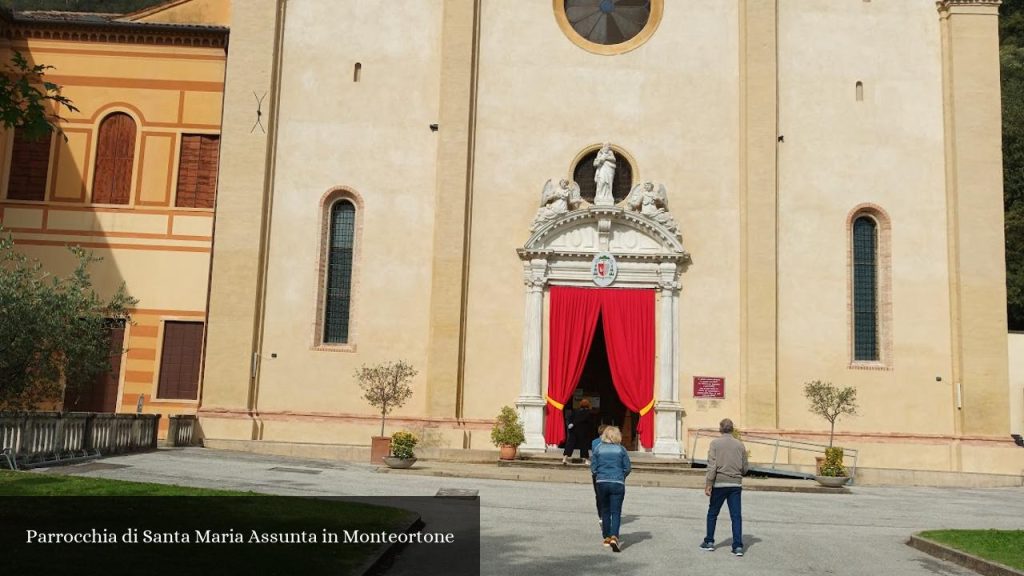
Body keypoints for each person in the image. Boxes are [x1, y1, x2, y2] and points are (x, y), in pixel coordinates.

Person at [700, 418, 749, 557]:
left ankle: (709, 542)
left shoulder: (715, 444)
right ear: (732, 429)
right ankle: (738, 546)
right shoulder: (740, 445)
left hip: (719, 484)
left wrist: (709, 484)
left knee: (712, 514)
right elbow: (745, 468)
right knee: (736, 516)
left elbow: (712, 465)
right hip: (735, 485)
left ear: (720, 429)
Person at [591, 425, 630, 552]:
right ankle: (614, 536)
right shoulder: (621, 449)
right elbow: (627, 468)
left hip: (602, 482)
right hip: (617, 482)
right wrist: (621, 476)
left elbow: (593, 468)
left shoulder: (598, 449)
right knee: (616, 511)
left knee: (605, 510)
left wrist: (599, 476)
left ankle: (606, 537)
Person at [562, 398, 594, 464]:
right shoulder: (589, 413)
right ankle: (586, 460)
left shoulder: (575, 411)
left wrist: (572, 424)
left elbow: (571, 418)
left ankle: (565, 458)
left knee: (570, 444)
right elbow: (589, 422)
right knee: (584, 445)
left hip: (574, 430)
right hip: (583, 430)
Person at [591, 424, 609, 525]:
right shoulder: (611, 443)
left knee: (598, 495)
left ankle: (601, 515)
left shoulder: (594, 442)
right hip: (605, 471)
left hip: (597, 472)